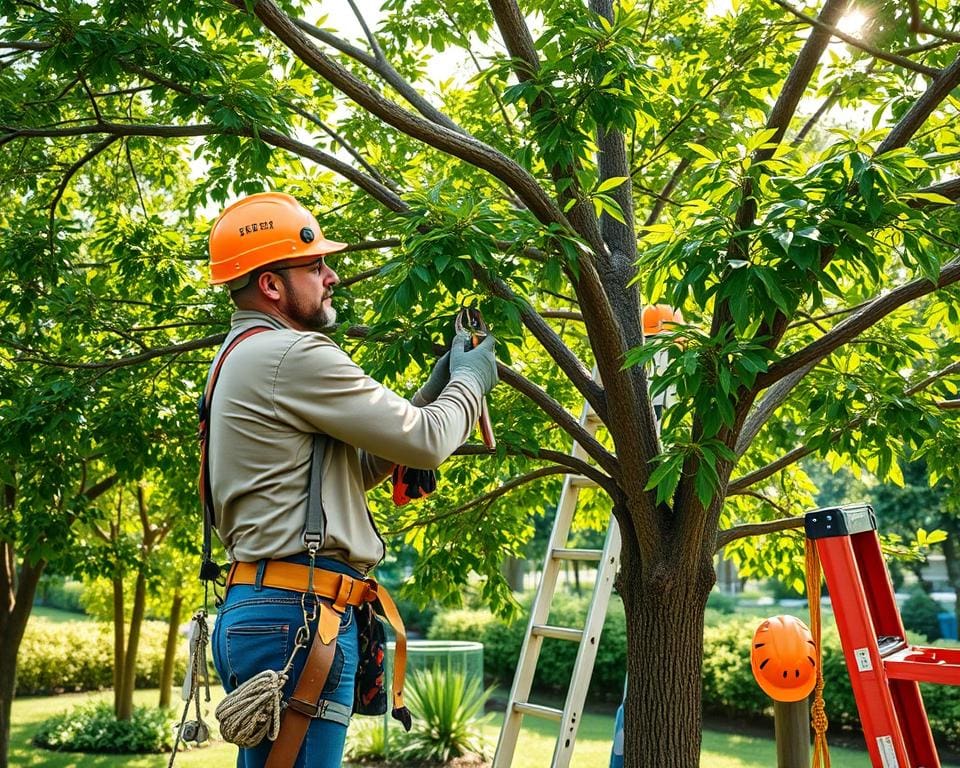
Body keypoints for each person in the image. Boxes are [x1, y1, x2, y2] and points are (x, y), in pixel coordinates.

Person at [204, 191, 498, 768]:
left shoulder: (241, 355)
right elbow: (428, 440)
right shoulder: (293, 354)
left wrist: (428, 397)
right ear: (271, 285)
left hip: (269, 603)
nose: (331, 276)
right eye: (314, 266)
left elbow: (345, 473)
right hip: (299, 613)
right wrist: (470, 380)